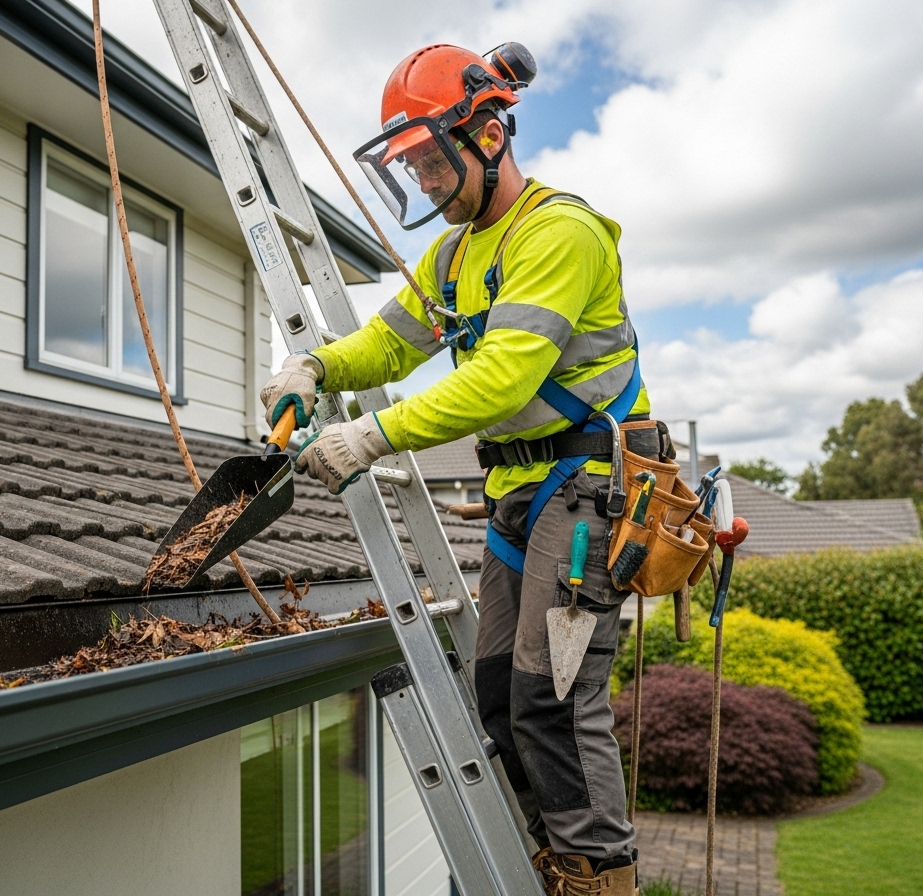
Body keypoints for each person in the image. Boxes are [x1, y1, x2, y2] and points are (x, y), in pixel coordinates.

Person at [260, 43, 648, 896]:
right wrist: (319, 369)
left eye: (435, 160)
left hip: (586, 490)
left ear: (490, 133)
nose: (426, 181)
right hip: (519, 494)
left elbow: (503, 375)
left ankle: (601, 880)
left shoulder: (559, 232)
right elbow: (391, 342)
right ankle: (553, 859)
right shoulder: (452, 256)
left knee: (553, 693)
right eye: (414, 166)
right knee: (499, 689)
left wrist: (371, 439)